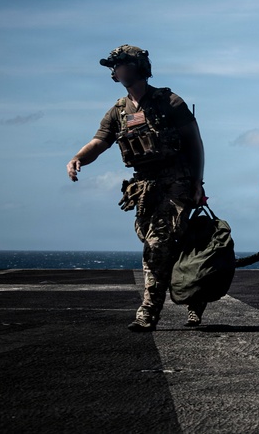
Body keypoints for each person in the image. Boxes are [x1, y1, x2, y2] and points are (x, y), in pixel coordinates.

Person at [67, 45, 206, 331]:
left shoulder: (169, 102)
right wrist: (78, 158)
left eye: (120, 65)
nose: (116, 71)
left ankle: (148, 312)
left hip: (176, 183)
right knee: (165, 245)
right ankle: (195, 297)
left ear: (138, 67)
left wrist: (196, 183)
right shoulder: (118, 111)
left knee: (157, 244)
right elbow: (100, 141)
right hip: (144, 189)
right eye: (114, 67)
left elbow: (195, 144)